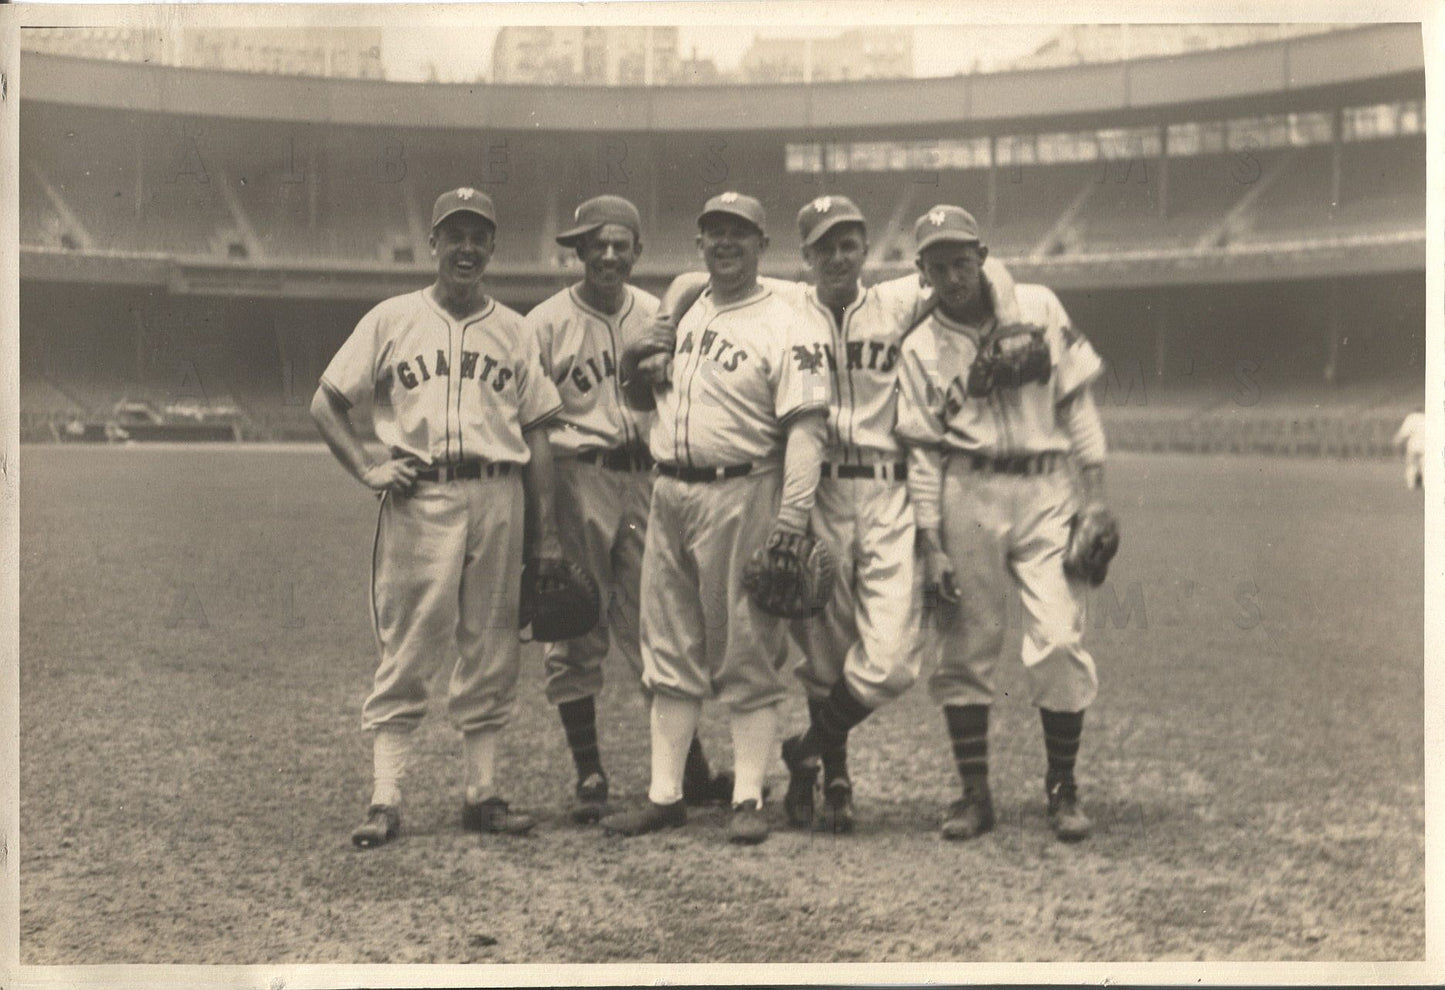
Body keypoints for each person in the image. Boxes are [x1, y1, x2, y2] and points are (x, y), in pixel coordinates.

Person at [639, 195, 1020, 833]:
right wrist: (662, 325)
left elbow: (995, 271)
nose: (838, 257)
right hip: (814, 491)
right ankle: (833, 781)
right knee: (823, 653)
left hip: (887, 488)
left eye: (848, 244)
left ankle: (807, 748)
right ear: (805, 256)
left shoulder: (898, 299)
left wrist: (1006, 326)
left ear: (864, 248)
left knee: (892, 657)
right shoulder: (789, 302)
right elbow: (685, 280)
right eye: (824, 247)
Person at [311, 187, 564, 848]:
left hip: (499, 493)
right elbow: (327, 402)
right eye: (455, 235)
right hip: (420, 495)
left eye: (479, 236)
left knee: (491, 644)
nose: (467, 248)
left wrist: (548, 533)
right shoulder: (392, 317)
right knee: (411, 642)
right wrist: (368, 466)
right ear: (433, 244)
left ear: (491, 248)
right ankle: (385, 796)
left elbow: (538, 432)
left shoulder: (514, 329)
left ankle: (482, 795)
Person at [600, 191, 831, 845]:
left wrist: (790, 521)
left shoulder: (789, 321)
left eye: (739, 233)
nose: (725, 243)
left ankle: (750, 798)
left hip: (743, 491)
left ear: (762, 245)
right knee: (666, 648)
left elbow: (807, 431)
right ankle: (665, 795)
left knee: (747, 646)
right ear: (699, 245)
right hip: (667, 490)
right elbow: (645, 393)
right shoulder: (686, 307)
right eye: (713, 233)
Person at [895, 204, 1110, 842]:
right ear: (922, 272)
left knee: (1060, 640)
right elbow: (923, 454)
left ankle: (1063, 788)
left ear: (982, 255)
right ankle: (973, 793)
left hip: (1048, 488)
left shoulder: (1039, 308)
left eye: (962, 261)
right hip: (968, 488)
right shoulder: (919, 346)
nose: (953, 275)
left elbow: (1077, 405)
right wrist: (930, 545)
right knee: (965, 646)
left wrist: (1095, 497)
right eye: (939, 266)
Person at [523, 195, 734, 826]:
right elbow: (529, 426)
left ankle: (687, 769)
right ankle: (589, 769)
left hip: (648, 476)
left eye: (622, 245)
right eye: (597, 244)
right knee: (574, 622)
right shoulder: (544, 323)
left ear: (638, 252)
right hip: (577, 474)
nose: (609, 255)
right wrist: (544, 530)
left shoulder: (660, 312)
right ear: (579, 250)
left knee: (661, 623)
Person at [1393, 408, 1425, 490]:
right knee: (1425, 465)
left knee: (1412, 464)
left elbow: (1404, 431)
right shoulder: (1427, 417)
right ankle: (1425, 484)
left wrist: (1397, 439)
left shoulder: (1412, 417)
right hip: (1426, 445)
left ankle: (1411, 485)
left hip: (1414, 445)